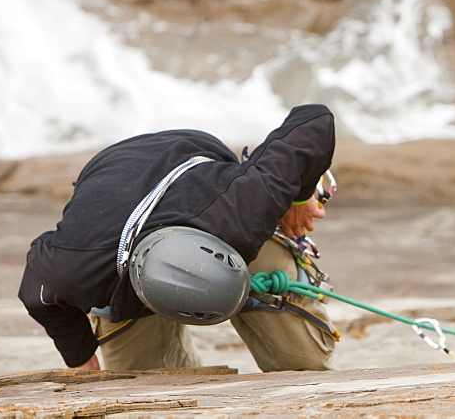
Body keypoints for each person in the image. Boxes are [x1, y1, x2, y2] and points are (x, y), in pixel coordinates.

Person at [18, 103, 340, 372]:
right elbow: (36, 289)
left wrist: (299, 196)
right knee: (144, 396)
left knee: (304, 364)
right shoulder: (80, 266)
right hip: (113, 195)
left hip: (199, 169)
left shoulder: (239, 212)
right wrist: (79, 354)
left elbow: (316, 119)